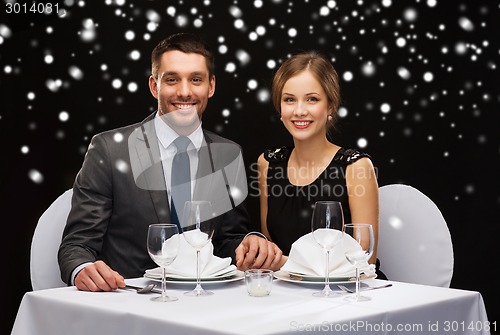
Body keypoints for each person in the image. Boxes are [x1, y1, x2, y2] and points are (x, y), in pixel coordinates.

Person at [58, 32, 284, 292]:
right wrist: (81, 268)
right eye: (172, 79)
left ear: (211, 86)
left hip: (206, 304)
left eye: (195, 80)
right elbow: (76, 246)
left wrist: (250, 242)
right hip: (131, 303)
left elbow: (226, 240)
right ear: (155, 86)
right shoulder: (109, 150)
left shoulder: (228, 154)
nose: (185, 92)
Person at [257, 51, 386, 278]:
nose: (299, 111)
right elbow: (271, 251)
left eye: (312, 99)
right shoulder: (268, 163)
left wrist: (287, 263)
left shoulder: (355, 167)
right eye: (289, 99)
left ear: (330, 107)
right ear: (280, 108)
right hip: (288, 292)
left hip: (347, 294)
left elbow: (364, 262)